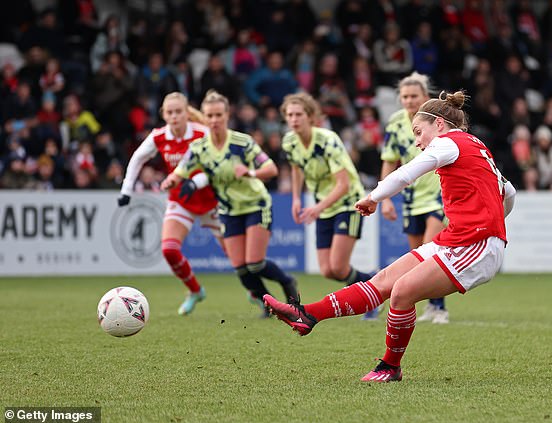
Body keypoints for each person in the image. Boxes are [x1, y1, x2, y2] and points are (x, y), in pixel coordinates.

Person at [265, 90, 516, 382]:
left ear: (439, 124)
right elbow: (508, 193)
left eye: (419, 132)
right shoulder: (475, 145)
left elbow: (406, 173)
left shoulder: (448, 142)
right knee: (383, 282)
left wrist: (374, 197)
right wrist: (495, 221)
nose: (417, 141)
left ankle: (389, 366)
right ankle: (307, 314)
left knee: (401, 292)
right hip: (461, 238)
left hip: (475, 244)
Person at [161, 90, 299, 317]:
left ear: (227, 116)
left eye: (218, 115)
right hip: (228, 210)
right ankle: (271, 305)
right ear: (205, 118)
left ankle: (288, 283)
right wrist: (172, 180)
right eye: (210, 116)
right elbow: (181, 171)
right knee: (241, 269)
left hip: (256, 205)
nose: (214, 120)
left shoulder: (241, 142)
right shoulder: (199, 147)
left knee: (254, 263)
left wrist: (250, 172)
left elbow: (271, 169)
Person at [118, 92, 224, 316]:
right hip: (181, 200)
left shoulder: (201, 133)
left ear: (186, 113)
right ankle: (195, 291)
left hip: (210, 199)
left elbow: (216, 166)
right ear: (164, 115)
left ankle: (255, 294)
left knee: (236, 255)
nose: (174, 116)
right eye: (170, 112)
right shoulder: (159, 136)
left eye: (178, 112)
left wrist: (196, 182)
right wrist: (126, 189)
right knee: (169, 250)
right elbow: (137, 158)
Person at [279, 92, 376, 319]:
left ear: (311, 116)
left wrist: (317, 207)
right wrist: (295, 198)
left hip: (348, 203)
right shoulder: (289, 141)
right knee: (327, 270)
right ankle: (372, 281)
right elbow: (296, 168)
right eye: (290, 115)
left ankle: (373, 294)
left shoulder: (327, 140)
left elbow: (343, 185)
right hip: (323, 205)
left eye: (299, 114)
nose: (294, 119)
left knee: (339, 267)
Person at [381, 72, 449, 324]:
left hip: (437, 195)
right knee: (418, 256)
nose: (409, 100)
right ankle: (430, 305)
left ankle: (440, 308)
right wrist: (385, 198)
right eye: (405, 96)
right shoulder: (395, 124)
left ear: (425, 97)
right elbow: (389, 160)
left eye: (414, 96)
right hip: (410, 199)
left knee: (432, 251)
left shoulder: (437, 122)